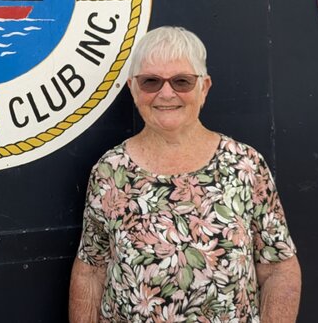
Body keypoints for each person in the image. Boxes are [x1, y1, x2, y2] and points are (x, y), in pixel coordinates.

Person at [69, 26, 300, 323]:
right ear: (133, 89)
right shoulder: (110, 171)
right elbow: (91, 269)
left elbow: (279, 268)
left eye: (182, 81)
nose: (166, 93)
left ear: (203, 88)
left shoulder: (245, 165)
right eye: (151, 81)